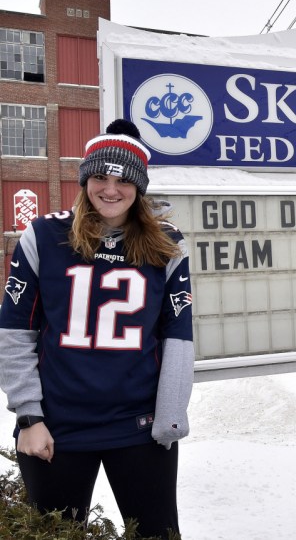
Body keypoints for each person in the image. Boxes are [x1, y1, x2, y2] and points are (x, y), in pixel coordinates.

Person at [0, 119, 194, 538]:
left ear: (139, 186)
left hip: (139, 426)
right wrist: (29, 414)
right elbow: (16, 328)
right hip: (56, 426)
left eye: (123, 180)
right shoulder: (44, 235)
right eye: (100, 177)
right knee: (55, 535)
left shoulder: (167, 244)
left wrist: (171, 413)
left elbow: (178, 334)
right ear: (85, 178)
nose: (111, 189)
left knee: (158, 534)